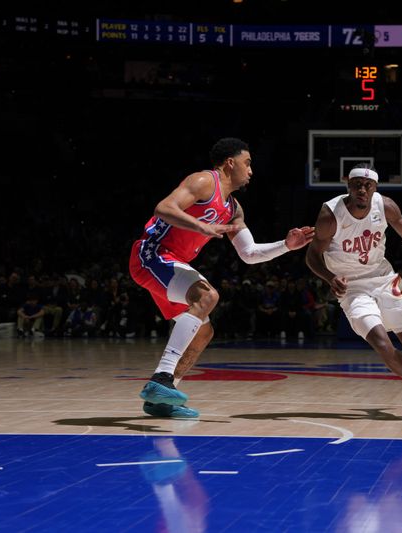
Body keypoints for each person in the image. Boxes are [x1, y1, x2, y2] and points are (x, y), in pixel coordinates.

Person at [130, 137, 314, 419]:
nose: (251, 170)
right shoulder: (204, 181)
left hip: (173, 264)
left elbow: (250, 254)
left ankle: (162, 401)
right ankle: (161, 378)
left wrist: (286, 246)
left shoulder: (234, 208)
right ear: (230, 163)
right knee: (207, 296)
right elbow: (164, 209)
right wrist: (200, 226)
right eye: (247, 163)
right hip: (151, 255)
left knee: (204, 332)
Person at [305, 164, 402, 419]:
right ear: (348, 186)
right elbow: (312, 255)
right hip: (351, 287)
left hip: (384, 278)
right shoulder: (330, 214)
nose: (362, 190)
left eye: (367, 186)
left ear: (374, 188)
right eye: (357, 185)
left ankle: (385, 322)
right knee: (381, 343)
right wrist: (330, 277)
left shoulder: (385, 206)